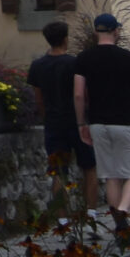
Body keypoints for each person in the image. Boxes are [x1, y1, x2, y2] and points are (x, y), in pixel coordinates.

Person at [74, 12, 130, 225]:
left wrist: (81, 123)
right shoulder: (128, 58)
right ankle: (123, 209)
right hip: (124, 121)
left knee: (111, 174)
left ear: (95, 32)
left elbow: (79, 94)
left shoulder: (84, 58)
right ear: (116, 31)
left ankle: (120, 225)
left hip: (98, 123)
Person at [25, 19, 98, 210]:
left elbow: (38, 98)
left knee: (58, 171)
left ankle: (63, 219)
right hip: (76, 121)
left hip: (53, 122)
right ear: (65, 39)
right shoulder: (75, 63)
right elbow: (82, 93)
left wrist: (46, 117)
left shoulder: (37, 65)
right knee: (89, 168)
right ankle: (91, 214)